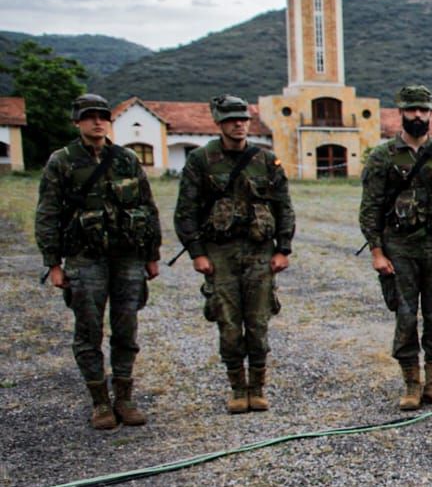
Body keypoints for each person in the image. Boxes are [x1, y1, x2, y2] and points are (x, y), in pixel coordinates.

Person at [35, 93, 162, 429]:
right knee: (88, 332)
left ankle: (124, 397)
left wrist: (152, 255)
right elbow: (47, 214)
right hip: (85, 258)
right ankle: (100, 402)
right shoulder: (61, 161)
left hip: (127, 258)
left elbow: (148, 208)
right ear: (77, 121)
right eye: (89, 116)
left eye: (102, 116)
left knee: (126, 330)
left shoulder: (126, 159)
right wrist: (53, 263)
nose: (97, 122)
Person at [173, 94, 295, 412]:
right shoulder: (201, 160)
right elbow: (186, 211)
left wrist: (283, 248)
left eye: (243, 119)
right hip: (220, 254)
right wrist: (197, 253)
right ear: (219, 123)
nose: (239, 124)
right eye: (231, 120)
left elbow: (283, 207)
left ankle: (257, 387)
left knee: (258, 323)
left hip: (258, 252)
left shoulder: (266, 161)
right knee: (228, 325)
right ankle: (237, 388)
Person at [358, 83, 432, 410]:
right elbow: (370, 207)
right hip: (400, 249)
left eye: (424, 110)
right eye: (412, 110)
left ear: (430, 113)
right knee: (406, 317)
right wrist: (377, 252)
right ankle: (411, 384)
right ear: (402, 113)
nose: (418, 115)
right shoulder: (383, 156)